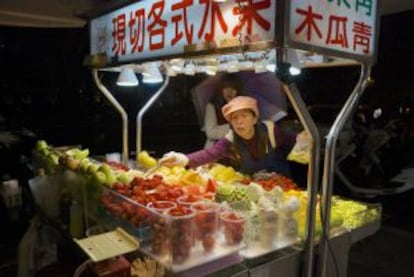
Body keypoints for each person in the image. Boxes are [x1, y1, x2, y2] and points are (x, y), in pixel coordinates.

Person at [160, 96, 302, 177]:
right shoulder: (230, 140)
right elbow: (209, 154)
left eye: (244, 116)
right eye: (234, 118)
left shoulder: (270, 130)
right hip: (255, 194)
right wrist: (183, 159)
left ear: (254, 118)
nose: (239, 121)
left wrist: (306, 141)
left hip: (283, 188)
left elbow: (296, 143)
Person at [203, 74, 243, 148]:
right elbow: (211, 133)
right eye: (226, 87)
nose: (229, 91)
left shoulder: (242, 106)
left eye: (233, 88)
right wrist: (232, 126)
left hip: (236, 148)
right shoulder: (213, 106)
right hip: (215, 148)